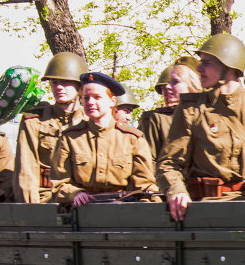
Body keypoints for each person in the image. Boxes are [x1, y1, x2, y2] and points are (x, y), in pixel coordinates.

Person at [157, 33, 245, 221]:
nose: (199, 68)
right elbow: (168, 163)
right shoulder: (191, 108)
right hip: (208, 208)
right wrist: (177, 191)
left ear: (228, 66)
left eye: (207, 63)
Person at [48, 73, 157, 206]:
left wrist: (143, 209)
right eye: (86, 98)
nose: (90, 102)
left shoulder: (132, 139)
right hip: (82, 212)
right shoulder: (69, 138)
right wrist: (75, 193)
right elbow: (59, 183)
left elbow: (145, 185)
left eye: (97, 97)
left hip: (123, 211)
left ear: (112, 101)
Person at [14, 52, 88, 203]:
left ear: (79, 86)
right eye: (54, 82)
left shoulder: (90, 121)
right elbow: (26, 170)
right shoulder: (34, 121)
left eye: (65, 82)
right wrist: (32, 211)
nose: (59, 87)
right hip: (47, 198)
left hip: (84, 198)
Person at [140, 62, 202, 159]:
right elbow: (149, 160)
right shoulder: (158, 119)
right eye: (163, 88)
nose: (168, 89)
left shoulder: (207, 114)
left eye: (176, 82)